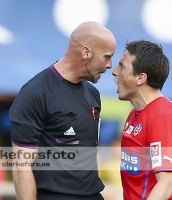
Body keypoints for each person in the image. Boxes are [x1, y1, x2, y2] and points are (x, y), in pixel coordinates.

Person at [9, 21, 116, 200]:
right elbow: (22, 166)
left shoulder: (92, 94)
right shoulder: (37, 92)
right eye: (107, 56)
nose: (110, 65)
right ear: (86, 53)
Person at [112, 40, 172, 200]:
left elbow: (166, 183)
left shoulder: (162, 115)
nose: (114, 72)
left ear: (141, 78)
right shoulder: (135, 114)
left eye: (122, 66)